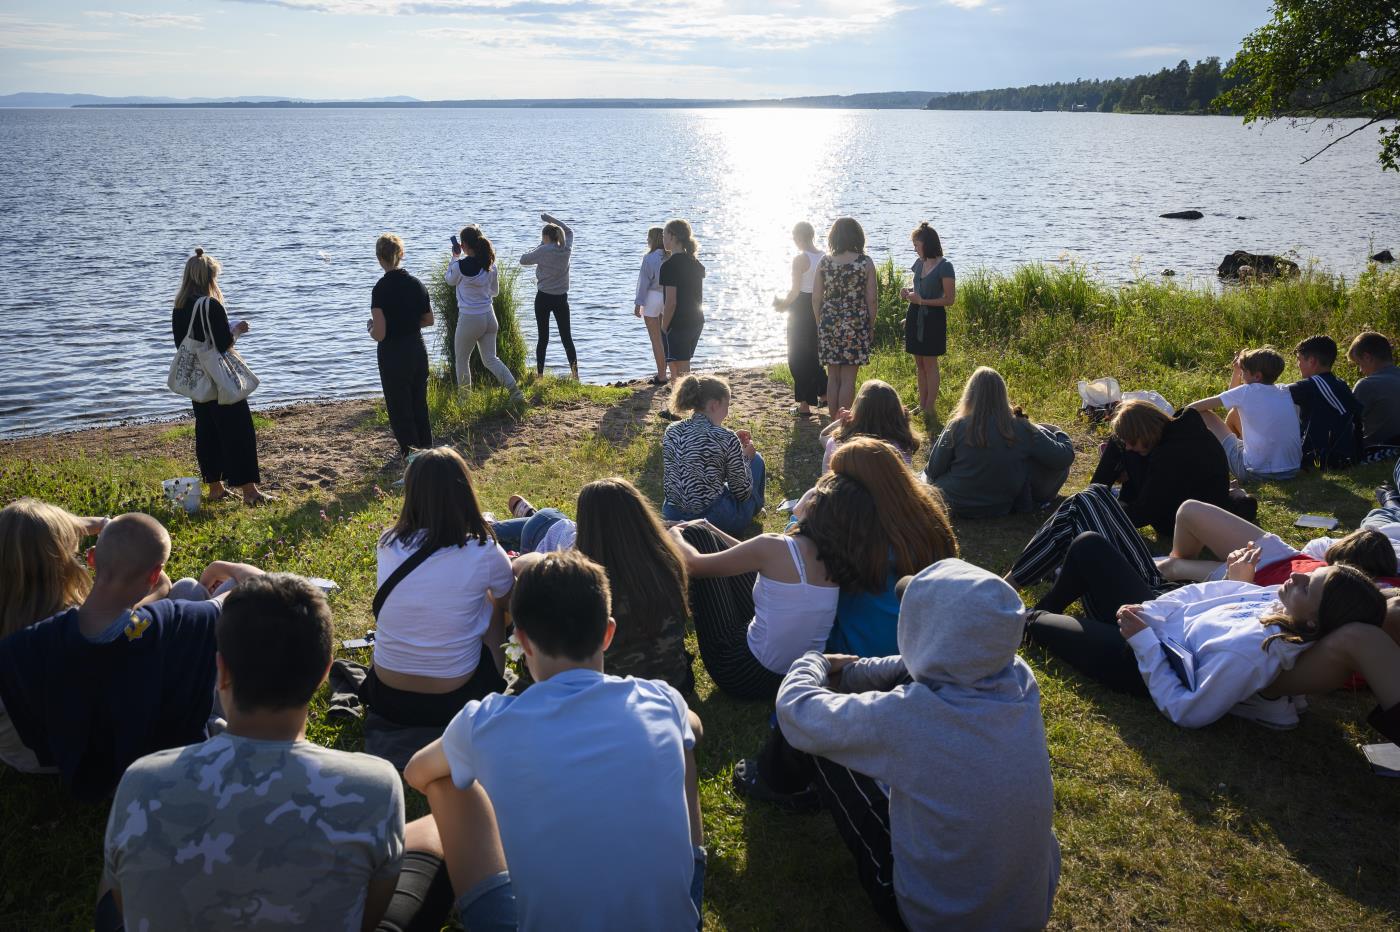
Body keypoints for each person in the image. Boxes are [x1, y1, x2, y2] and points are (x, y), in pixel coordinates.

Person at [404, 552, 706, 930]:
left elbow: (417, 772)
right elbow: (693, 728)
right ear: (608, 633)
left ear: (523, 641)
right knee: (682, 744)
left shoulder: (485, 722)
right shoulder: (661, 700)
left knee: (448, 781)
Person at [98, 574, 411, 932]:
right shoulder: (375, 786)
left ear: (222, 671)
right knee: (425, 842)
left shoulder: (142, 780)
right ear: (325, 673)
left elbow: (122, 899)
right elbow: (367, 916)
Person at [775, 560, 1060, 930]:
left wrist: (812, 662)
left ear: (930, 633)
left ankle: (772, 781)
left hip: (936, 919)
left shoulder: (910, 717)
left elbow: (798, 712)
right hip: (1026, 912)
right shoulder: (1018, 677)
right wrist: (857, 672)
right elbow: (915, 667)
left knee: (827, 750)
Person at [0, 514, 260, 797]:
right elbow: (255, 584)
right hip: (153, 752)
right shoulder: (176, 622)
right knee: (192, 592)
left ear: (92, 559)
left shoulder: (28, 645)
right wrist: (216, 568)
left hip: (53, 756)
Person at [1026, 557, 1386, 728]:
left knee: (1037, 622)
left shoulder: (1251, 653)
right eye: (1310, 574)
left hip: (1142, 663)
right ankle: (1048, 618)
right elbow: (1206, 593)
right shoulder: (1277, 601)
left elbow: (1189, 712)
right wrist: (1150, 609)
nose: (1295, 575)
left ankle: (1035, 622)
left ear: (1313, 621)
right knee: (1090, 547)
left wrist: (1143, 642)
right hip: (1158, 624)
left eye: (1309, 585)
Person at [507, 478, 696, 692]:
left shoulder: (583, 587)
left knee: (541, 522)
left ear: (585, 527)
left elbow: (522, 566)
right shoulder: (667, 564)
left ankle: (492, 529)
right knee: (545, 520)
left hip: (613, 693)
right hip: (676, 684)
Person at [369, 447, 512, 729]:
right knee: (493, 601)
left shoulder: (388, 542)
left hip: (387, 694)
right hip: (454, 698)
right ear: (465, 493)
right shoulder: (482, 551)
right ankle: (495, 679)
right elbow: (512, 603)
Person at [667, 481, 842, 700]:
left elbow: (694, 564)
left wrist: (674, 534)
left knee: (695, 535)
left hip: (741, 673)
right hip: (795, 675)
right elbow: (752, 554)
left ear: (814, 505)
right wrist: (709, 526)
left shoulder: (775, 547)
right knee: (704, 532)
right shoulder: (835, 557)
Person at [823, 438, 960, 658]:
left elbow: (799, 560)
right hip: (927, 647)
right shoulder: (927, 513)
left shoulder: (852, 528)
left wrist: (798, 518)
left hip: (861, 653)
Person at [171, 249, 267, 506]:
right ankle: (250, 492)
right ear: (209, 278)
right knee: (239, 430)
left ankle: (215, 488)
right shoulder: (211, 305)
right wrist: (235, 330)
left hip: (197, 382)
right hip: (218, 379)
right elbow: (223, 344)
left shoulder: (179, 307)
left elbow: (181, 344)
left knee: (207, 431)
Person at [924, 367, 1074, 517]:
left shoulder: (957, 426)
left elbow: (933, 470)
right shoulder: (1021, 427)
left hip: (951, 502)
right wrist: (1059, 432)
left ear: (969, 395)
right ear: (1003, 394)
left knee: (922, 481)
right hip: (999, 506)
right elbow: (1064, 458)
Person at [1157, 499, 1397, 588]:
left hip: (1256, 580)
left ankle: (1177, 572)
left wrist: (1239, 580)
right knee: (1189, 511)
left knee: (1172, 568)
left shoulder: (1378, 598)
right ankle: (1184, 564)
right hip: (1287, 558)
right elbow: (1318, 549)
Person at [1088, 399, 1235, 537]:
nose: (1128, 447)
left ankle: (1093, 498)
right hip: (1195, 500)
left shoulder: (1168, 456)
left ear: (1145, 432)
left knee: (1118, 445)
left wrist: (1107, 512)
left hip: (1178, 523)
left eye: (1132, 442)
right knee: (1119, 442)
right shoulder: (1183, 429)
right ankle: (1093, 496)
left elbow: (1142, 514)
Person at [660, 374, 765, 535]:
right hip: (714, 519)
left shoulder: (671, 431)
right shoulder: (725, 437)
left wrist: (734, 447)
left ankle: (684, 525)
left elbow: (698, 466)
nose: (727, 412)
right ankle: (756, 507)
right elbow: (741, 492)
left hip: (672, 513)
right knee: (756, 461)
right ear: (715, 405)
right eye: (727, 406)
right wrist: (745, 457)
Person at [1187, 347, 1301, 482]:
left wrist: (1174, 417)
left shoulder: (1246, 391)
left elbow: (1194, 407)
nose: (1242, 375)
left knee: (1203, 414)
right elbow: (1234, 400)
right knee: (1235, 412)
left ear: (1257, 376)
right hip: (1291, 470)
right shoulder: (1285, 391)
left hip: (1255, 473)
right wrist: (1237, 370)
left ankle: (1193, 456)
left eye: (1244, 372)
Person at [369, 233, 433, 456]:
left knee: (400, 409)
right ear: (401, 254)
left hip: (393, 354)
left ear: (379, 258)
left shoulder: (381, 289)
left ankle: (413, 460)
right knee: (419, 405)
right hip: (416, 348)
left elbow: (380, 333)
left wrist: (370, 328)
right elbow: (428, 320)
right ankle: (427, 456)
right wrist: (407, 321)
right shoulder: (416, 284)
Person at [446, 226, 524, 403]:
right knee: (490, 359)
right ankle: (515, 392)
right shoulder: (491, 265)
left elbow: (449, 280)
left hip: (469, 320)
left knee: (461, 360)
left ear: (463, 244)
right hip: (489, 317)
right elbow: (495, 292)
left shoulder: (459, 266)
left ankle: (464, 401)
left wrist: (455, 256)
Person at [813, 217, 878, 414]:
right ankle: (844, 421)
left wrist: (819, 323)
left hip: (829, 321)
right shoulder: (864, 262)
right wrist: (871, 325)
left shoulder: (825, 262)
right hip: (855, 322)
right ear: (858, 236)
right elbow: (872, 299)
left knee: (833, 376)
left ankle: (834, 421)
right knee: (849, 378)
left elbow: (816, 298)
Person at [900, 222, 956, 417]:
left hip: (933, 319)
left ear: (927, 244)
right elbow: (919, 290)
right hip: (915, 315)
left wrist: (922, 300)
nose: (915, 249)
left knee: (930, 364)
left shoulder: (945, 266)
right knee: (919, 364)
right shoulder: (919, 264)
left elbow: (949, 300)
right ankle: (921, 404)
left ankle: (930, 407)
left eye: (917, 245)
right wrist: (908, 293)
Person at [772, 221, 827, 417]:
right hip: (819, 305)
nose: (794, 241)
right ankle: (824, 393)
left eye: (794, 237)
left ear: (801, 237)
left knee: (797, 357)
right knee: (814, 353)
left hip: (801, 307)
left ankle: (804, 404)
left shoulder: (800, 259)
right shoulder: (824, 256)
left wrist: (782, 305)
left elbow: (795, 291)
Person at [1287, 335, 1361, 469]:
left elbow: (1270, 396)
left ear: (1312, 361)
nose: (1298, 364)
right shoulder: (1341, 384)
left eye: (1299, 360)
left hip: (1322, 459)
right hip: (1350, 454)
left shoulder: (1309, 386)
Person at [520, 212, 577, 380]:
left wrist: (539, 246)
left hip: (543, 298)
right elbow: (569, 231)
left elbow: (523, 260)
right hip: (561, 298)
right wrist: (551, 219)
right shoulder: (566, 249)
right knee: (567, 337)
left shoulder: (543, 250)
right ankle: (575, 376)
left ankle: (540, 375)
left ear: (545, 237)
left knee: (543, 338)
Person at [819, 379, 918, 473]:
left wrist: (841, 423)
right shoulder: (902, 447)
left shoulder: (839, 444)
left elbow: (823, 436)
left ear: (857, 411)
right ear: (897, 412)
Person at [659, 219, 706, 407]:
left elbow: (671, 302)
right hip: (696, 320)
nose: (663, 239)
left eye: (664, 235)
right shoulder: (695, 262)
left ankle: (688, 407)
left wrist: (664, 325)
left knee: (682, 367)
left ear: (673, 237)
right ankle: (677, 405)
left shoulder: (669, 265)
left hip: (679, 321)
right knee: (679, 365)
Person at [1347, 331, 1400, 458]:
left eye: (1359, 364)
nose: (1360, 370)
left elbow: (1348, 425)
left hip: (1380, 449)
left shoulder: (1367, 385)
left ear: (1367, 357)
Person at [634, 227, 669, 386]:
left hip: (652, 297)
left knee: (656, 340)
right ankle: (669, 371)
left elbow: (643, 283)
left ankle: (661, 375)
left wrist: (638, 303)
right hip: (669, 296)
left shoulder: (649, 258)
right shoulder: (671, 256)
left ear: (652, 240)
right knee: (666, 337)